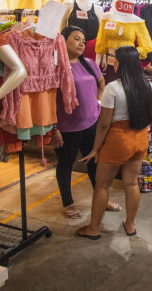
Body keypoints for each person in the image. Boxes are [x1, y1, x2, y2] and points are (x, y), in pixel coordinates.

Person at [76, 46, 152, 239]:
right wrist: (145, 114)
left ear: (122, 63)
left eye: (114, 59)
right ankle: (130, 224)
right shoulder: (145, 84)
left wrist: (95, 149)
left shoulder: (113, 87)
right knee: (132, 182)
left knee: (101, 185)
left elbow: (103, 124)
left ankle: (93, 228)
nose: (113, 62)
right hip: (140, 137)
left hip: (118, 139)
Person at [51, 26, 120, 218]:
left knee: (94, 164)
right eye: (76, 39)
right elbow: (48, 99)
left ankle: (102, 199)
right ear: (62, 41)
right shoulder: (55, 67)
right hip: (66, 127)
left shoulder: (89, 63)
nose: (81, 43)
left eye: (83, 40)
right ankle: (68, 203)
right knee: (65, 165)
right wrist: (53, 127)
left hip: (92, 124)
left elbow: (101, 83)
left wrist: (97, 103)